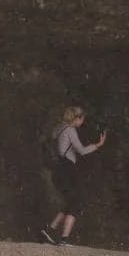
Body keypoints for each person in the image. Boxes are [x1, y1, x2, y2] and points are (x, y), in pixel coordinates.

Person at [42, 105, 105, 247]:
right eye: (82, 119)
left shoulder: (59, 128)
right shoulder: (70, 130)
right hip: (67, 169)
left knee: (72, 200)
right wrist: (98, 145)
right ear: (77, 118)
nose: (82, 122)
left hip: (58, 169)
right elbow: (81, 151)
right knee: (77, 201)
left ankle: (49, 231)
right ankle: (63, 240)